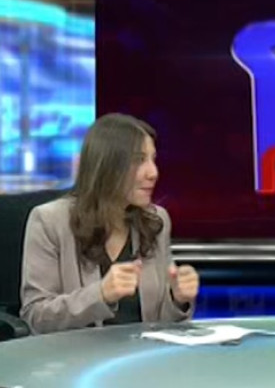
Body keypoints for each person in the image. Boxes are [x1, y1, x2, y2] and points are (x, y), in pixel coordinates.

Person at [21, 113, 199, 333]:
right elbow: (36, 317)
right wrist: (100, 294)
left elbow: (162, 325)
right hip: (77, 353)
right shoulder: (49, 221)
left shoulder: (156, 220)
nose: (153, 173)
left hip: (142, 352)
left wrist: (177, 299)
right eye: (139, 160)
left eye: (153, 159)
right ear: (107, 167)